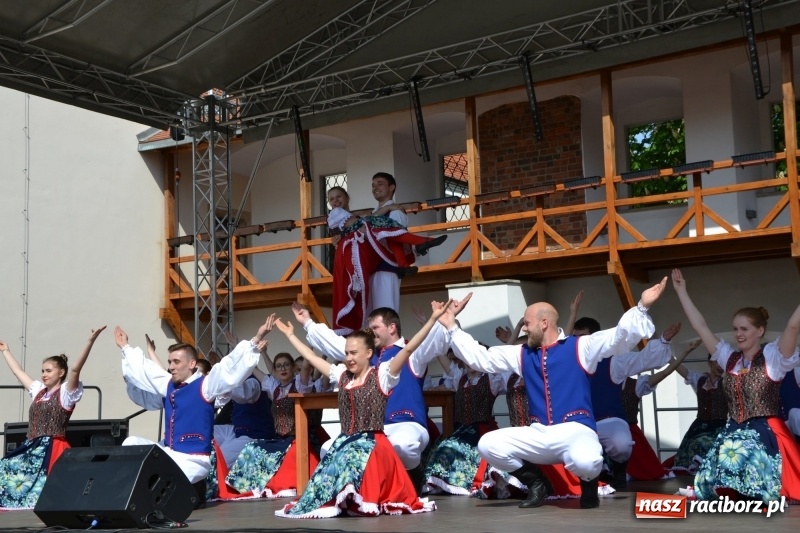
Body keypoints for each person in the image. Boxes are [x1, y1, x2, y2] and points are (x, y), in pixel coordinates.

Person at [439, 277, 668, 510]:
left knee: (588, 462)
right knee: (488, 444)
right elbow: (482, 358)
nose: (524, 328)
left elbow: (618, 336)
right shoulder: (521, 353)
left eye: (527, 323)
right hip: (540, 433)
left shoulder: (580, 346)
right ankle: (538, 483)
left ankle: (589, 486)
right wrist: (451, 325)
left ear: (544, 323)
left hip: (576, 430)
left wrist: (642, 306)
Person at [273, 299, 451, 518]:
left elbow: (413, 346)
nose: (348, 356)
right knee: (328, 449)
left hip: (400, 426)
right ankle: (348, 494)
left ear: (391, 328)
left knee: (401, 445)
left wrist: (435, 320)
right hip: (358, 434)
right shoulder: (349, 369)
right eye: (347, 353)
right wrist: (300, 328)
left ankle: (411, 481)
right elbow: (316, 353)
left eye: (375, 327)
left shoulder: (387, 368)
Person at [671, 268, 800, 502]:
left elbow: (792, 326)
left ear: (759, 331)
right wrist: (682, 292)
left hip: (764, 429)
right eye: (735, 329)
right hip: (734, 430)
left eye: (744, 329)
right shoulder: (728, 359)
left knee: (737, 452)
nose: (738, 334)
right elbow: (701, 326)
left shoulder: (773, 359)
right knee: (718, 465)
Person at [115, 319, 269, 500]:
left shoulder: (205, 386)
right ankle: (132, 497)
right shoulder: (168, 385)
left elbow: (227, 370)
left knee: (160, 474)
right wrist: (125, 347)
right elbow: (148, 371)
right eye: (169, 362)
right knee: (130, 443)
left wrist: (256, 338)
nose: (171, 367)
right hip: (170, 453)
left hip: (193, 460)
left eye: (176, 362)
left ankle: (172, 495)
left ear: (191, 364)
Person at [0, 326, 106, 509]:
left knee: (48, 493)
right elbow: (18, 372)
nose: (43, 374)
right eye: (42, 371)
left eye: (48, 371)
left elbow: (75, 369)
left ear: (61, 373)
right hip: (32, 447)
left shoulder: (65, 393)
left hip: (52, 447)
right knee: (6, 470)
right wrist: (5, 351)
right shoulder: (39, 392)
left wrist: (90, 341)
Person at [327, 186, 445, 334]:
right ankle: (419, 243)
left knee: (384, 231)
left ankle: (416, 248)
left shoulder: (352, 214)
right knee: (381, 228)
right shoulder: (337, 213)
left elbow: (363, 222)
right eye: (331, 199)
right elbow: (363, 222)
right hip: (357, 256)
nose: (335, 201)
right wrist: (385, 210)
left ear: (347, 198)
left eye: (339, 196)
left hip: (368, 258)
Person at [225, 350, 318, 499]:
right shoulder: (275, 388)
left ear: (294, 368)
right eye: (279, 366)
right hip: (280, 439)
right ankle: (243, 487)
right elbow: (255, 369)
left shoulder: (301, 385)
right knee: (252, 448)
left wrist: (308, 342)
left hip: (300, 439)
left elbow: (306, 367)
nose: (283, 369)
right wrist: (247, 350)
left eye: (286, 365)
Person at [422, 348, 504, 496]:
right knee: (441, 446)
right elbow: (442, 356)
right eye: (466, 358)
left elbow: (499, 364)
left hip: (481, 428)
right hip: (460, 429)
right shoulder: (459, 378)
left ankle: (462, 482)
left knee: (449, 446)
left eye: (473, 358)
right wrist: (434, 329)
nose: (469, 362)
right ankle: (447, 482)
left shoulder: (491, 378)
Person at [665, 348, 728, 474]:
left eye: (723, 363)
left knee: (702, 444)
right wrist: (669, 356)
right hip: (699, 426)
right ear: (710, 363)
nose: (720, 366)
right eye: (717, 362)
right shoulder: (699, 379)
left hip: (719, 427)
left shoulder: (727, 382)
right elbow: (682, 371)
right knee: (692, 444)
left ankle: (703, 470)